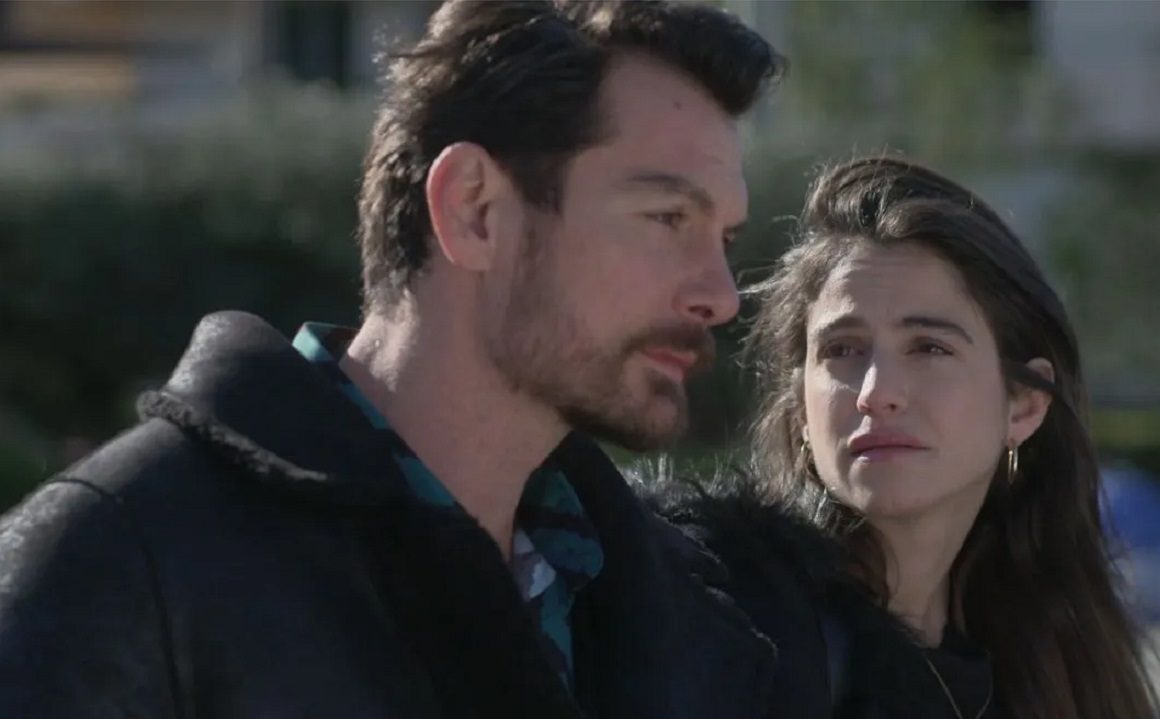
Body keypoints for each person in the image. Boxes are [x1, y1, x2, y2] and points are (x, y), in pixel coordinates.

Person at [0, 2, 784, 717]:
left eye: (725, 238)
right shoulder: (129, 557)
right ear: (474, 210)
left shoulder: (674, 611)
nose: (721, 295)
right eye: (667, 218)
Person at [663, 157, 1159, 718]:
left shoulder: (1057, 675)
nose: (877, 392)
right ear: (801, 407)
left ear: (1023, 405)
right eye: (842, 350)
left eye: (929, 348)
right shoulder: (712, 630)